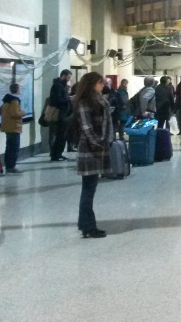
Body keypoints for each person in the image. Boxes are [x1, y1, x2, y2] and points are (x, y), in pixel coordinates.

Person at [73, 72, 114, 239]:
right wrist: (99, 143)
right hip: (90, 149)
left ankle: (86, 225)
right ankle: (88, 226)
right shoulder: (84, 102)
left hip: (98, 147)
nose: (102, 85)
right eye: (99, 83)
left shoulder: (99, 99)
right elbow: (87, 127)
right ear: (91, 84)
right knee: (88, 189)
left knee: (90, 188)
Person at [0, 82, 27, 174]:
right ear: (17, 89)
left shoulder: (6, 100)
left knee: (9, 148)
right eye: (19, 88)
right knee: (14, 148)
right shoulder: (14, 101)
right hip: (14, 126)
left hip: (7, 126)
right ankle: (11, 167)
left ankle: (8, 166)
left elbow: (0, 112)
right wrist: (23, 112)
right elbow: (14, 114)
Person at [48, 69, 73, 162]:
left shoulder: (61, 86)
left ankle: (58, 154)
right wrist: (68, 99)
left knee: (62, 136)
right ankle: (55, 155)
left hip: (64, 114)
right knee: (60, 135)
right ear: (63, 75)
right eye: (68, 77)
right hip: (60, 114)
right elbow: (56, 100)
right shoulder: (57, 86)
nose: (69, 79)